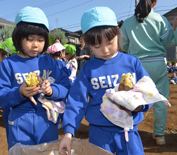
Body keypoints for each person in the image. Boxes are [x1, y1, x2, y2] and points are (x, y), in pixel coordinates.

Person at [59, 6, 153, 155]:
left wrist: (140, 107)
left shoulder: (132, 63)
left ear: (118, 35)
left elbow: (148, 90)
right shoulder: (89, 69)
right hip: (99, 133)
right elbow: (77, 100)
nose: (105, 50)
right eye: (97, 46)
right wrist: (68, 132)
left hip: (128, 131)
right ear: (89, 45)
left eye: (110, 42)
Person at [0, 6, 70, 149]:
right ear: (18, 38)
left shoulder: (48, 62)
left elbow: (65, 85)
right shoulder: (9, 64)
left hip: (46, 121)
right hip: (19, 121)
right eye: (30, 39)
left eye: (40, 40)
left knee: (48, 150)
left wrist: (53, 90)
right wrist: (19, 92)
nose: (35, 44)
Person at [119, 0, 174, 145]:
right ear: (155, 2)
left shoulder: (128, 23)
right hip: (158, 64)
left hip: (137, 66)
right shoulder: (161, 20)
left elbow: (122, 45)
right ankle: (160, 135)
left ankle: (131, 131)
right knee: (160, 101)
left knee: (134, 99)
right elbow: (168, 42)